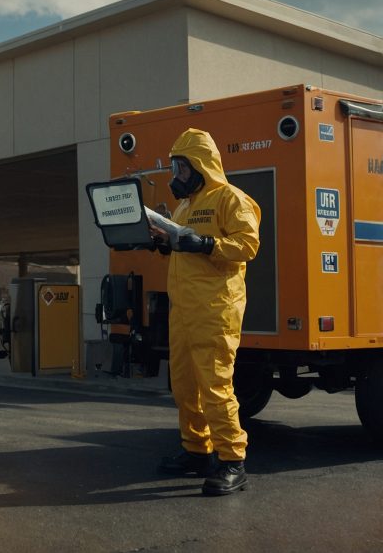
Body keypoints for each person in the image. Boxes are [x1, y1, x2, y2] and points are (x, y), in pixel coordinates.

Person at [150, 128, 261, 496]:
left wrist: (206, 243)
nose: (177, 176)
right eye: (175, 168)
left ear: (201, 165)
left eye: (182, 168)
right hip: (183, 310)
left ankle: (232, 461)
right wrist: (167, 244)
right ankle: (197, 450)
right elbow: (188, 252)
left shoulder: (231, 198)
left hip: (216, 309)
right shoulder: (185, 207)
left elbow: (247, 244)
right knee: (184, 386)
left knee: (215, 386)